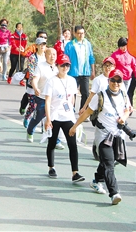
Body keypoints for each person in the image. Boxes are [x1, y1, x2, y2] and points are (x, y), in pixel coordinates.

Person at [69, 69, 131, 205]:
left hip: (118, 136)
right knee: (109, 164)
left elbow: (128, 110)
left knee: (109, 161)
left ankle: (96, 180)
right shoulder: (100, 96)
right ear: (108, 81)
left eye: (118, 80)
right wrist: (75, 126)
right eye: (113, 80)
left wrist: (123, 118)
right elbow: (87, 113)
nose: (116, 83)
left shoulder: (124, 95)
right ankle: (114, 193)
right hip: (103, 136)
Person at [42, 53, 85, 183]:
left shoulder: (72, 80)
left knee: (72, 144)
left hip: (67, 117)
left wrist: (71, 109)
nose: (65, 68)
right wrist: (48, 119)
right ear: (57, 66)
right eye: (62, 65)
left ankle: (75, 173)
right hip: (54, 116)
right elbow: (48, 101)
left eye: (67, 65)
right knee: (52, 142)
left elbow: (72, 97)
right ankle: (51, 167)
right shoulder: (52, 81)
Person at [27, 47, 58, 142]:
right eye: (50, 54)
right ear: (45, 55)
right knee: (38, 117)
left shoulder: (58, 68)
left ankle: (55, 140)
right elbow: (35, 79)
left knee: (55, 118)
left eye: (54, 54)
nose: (52, 56)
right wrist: (36, 88)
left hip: (54, 98)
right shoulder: (40, 66)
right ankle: (30, 130)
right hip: (42, 97)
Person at [64, 25, 95, 111]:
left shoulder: (87, 44)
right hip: (73, 72)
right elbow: (66, 59)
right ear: (75, 33)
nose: (81, 35)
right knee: (72, 92)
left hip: (85, 72)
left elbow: (91, 58)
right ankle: (70, 109)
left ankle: (83, 110)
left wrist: (93, 71)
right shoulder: (70, 45)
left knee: (85, 93)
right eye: (79, 33)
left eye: (82, 33)